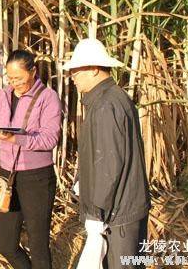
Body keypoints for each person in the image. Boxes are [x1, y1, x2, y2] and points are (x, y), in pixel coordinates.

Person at [63, 38, 151, 269]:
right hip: (125, 206)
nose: (72, 76)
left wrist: (96, 211)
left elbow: (108, 165)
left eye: (76, 70)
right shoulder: (112, 98)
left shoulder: (105, 106)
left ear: (94, 69)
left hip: (118, 213)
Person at [0, 50, 62, 269]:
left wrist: (14, 138)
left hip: (36, 178)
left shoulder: (48, 97)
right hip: (7, 174)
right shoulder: (4, 94)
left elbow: (49, 139)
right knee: (5, 243)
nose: (14, 83)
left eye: (19, 78)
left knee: (38, 245)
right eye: (10, 78)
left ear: (33, 72)